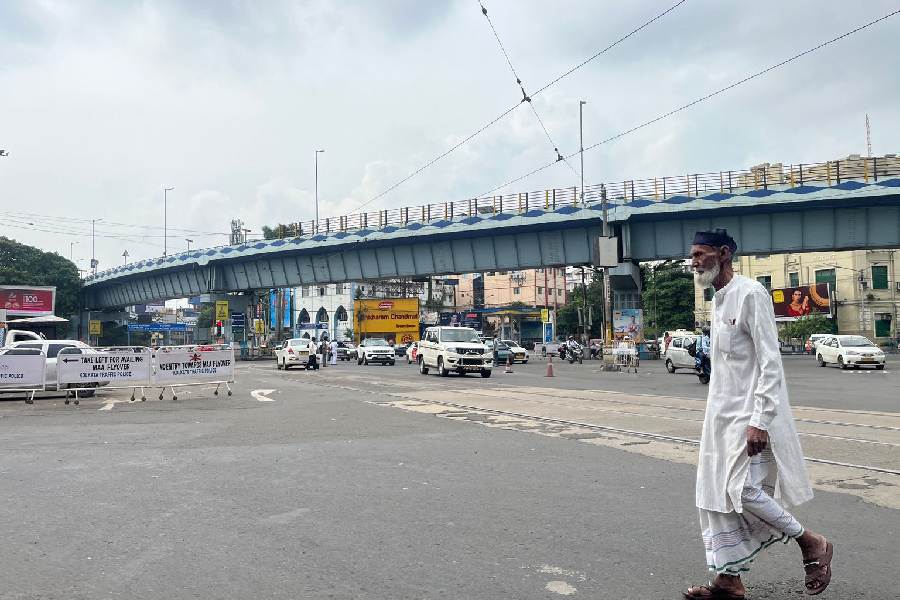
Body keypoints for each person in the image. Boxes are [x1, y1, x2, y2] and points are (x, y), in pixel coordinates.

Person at [684, 229, 832, 599]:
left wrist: (760, 421)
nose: (694, 261)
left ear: (724, 254)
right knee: (713, 494)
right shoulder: (717, 301)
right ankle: (728, 581)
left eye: (701, 254)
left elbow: (770, 363)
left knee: (743, 490)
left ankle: (811, 541)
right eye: (693, 255)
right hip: (719, 417)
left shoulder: (751, 294)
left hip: (749, 416)